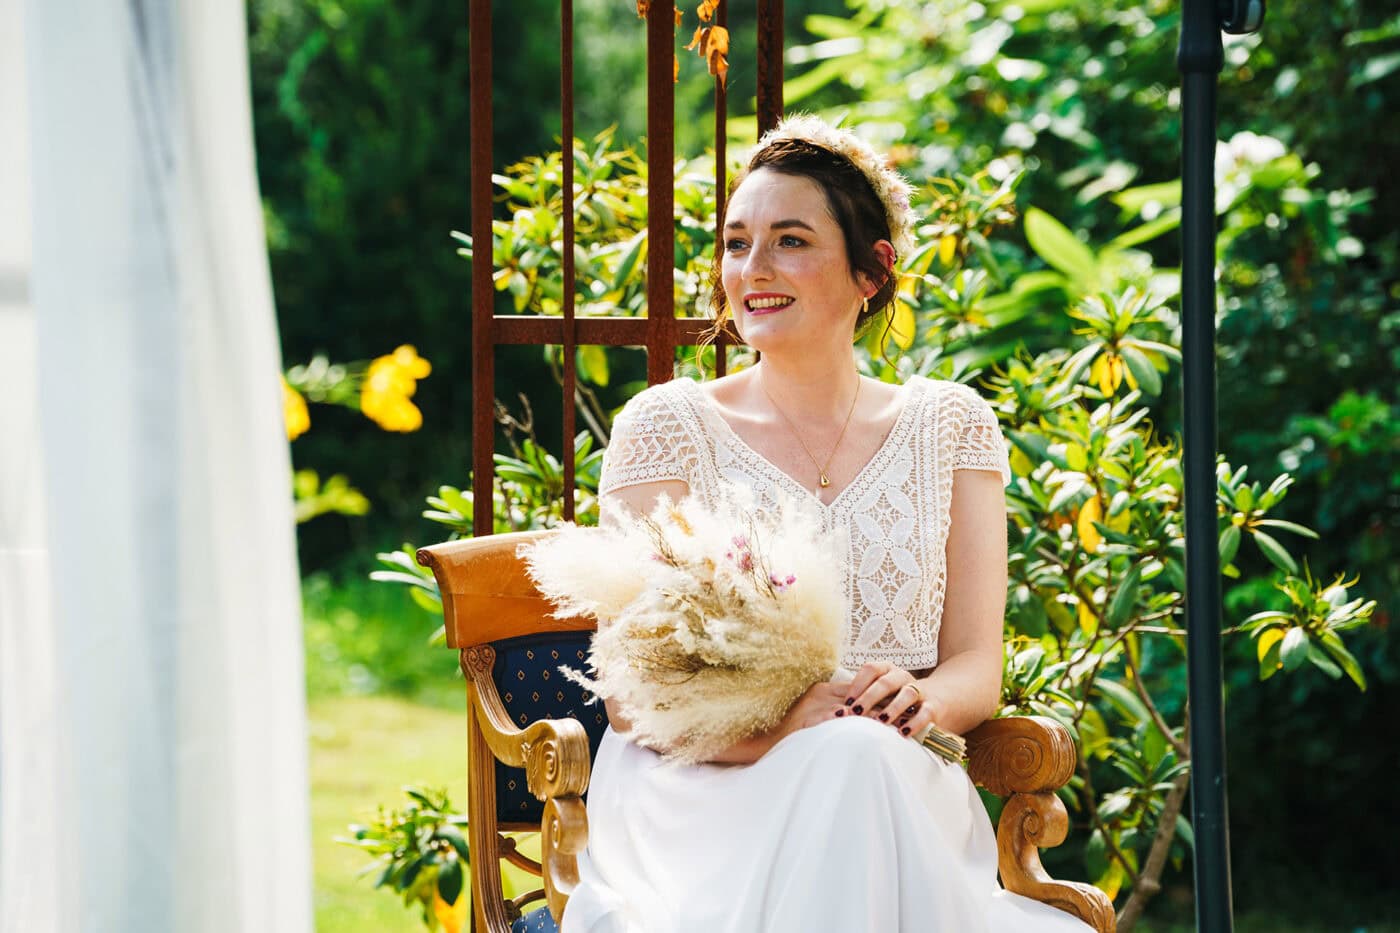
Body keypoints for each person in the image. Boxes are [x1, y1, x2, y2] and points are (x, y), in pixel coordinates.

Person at [560, 114, 1093, 933]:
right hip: (706, 794)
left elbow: (976, 667)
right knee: (847, 755)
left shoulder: (952, 426)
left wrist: (918, 700)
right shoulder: (664, 426)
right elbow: (632, 695)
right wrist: (781, 721)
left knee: (860, 756)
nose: (752, 269)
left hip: (898, 788)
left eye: (791, 241)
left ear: (871, 270)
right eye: (738, 243)